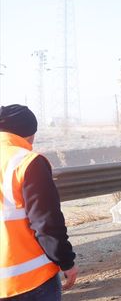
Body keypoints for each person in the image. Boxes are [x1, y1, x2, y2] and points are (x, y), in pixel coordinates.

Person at [0, 104, 78, 300]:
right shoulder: (26, 162)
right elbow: (47, 223)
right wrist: (66, 262)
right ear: (28, 133)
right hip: (29, 281)